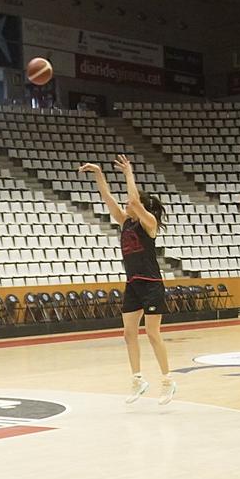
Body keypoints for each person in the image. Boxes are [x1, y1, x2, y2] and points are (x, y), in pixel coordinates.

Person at [82, 155, 173, 405]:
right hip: (133, 283)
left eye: (131, 203)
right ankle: (138, 379)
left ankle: (167, 381)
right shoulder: (125, 222)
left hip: (152, 283)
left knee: (152, 333)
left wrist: (128, 173)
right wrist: (99, 175)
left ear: (140, 206)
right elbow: (107, 199)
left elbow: (133, 199)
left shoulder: (149, 223)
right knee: (128, 333)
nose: (126, 204)